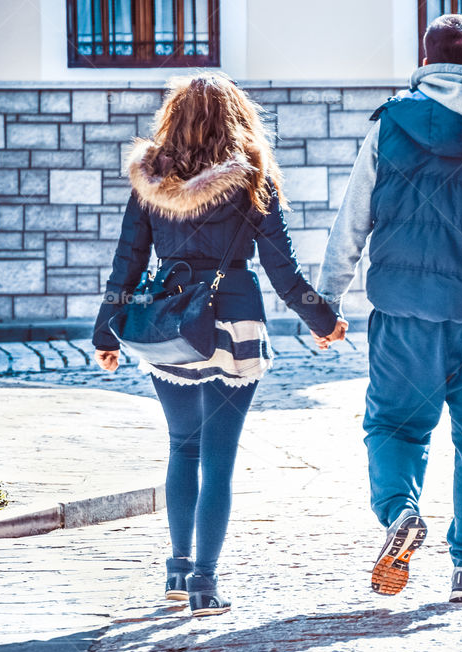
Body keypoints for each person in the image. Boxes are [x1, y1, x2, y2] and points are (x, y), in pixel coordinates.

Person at [315, 14, 462, 603]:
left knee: (395, 427)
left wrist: (327, 301)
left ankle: (400, 512)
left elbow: (353, 221)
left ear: (426, 61)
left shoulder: (389, 126)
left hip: (403, 316)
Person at [91, 73, 345, 618]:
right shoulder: (251, 176)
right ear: (236, 115)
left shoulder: (151, 176)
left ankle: (178, 573)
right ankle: (206, 583)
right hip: (234, 320)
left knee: (182, 446)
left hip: (169, 322)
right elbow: (284, 269)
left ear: (173, 116)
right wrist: (322, 320)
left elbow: (127, 261)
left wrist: (105, 329)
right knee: (219, 460)